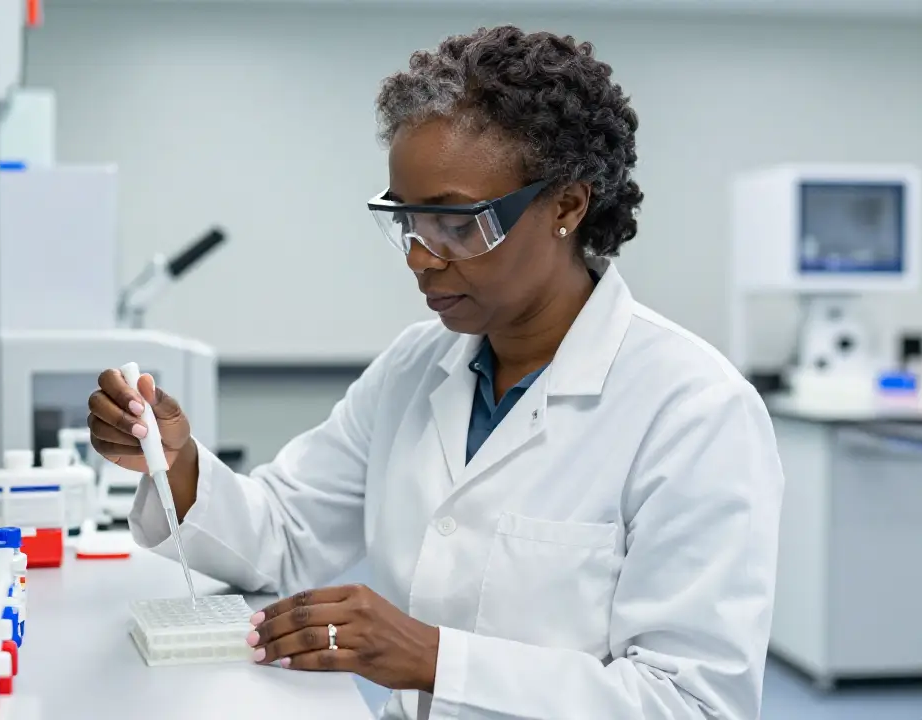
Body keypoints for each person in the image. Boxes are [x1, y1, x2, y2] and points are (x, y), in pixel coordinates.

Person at [88, 25, 784, 720]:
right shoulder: (415, 367)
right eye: (408, 223)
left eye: (457, 224)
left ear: (567, 206)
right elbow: (284, 535)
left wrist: (434, 658)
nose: (421, 258)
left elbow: (694, 704)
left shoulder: (694, 408)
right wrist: (171, 461)